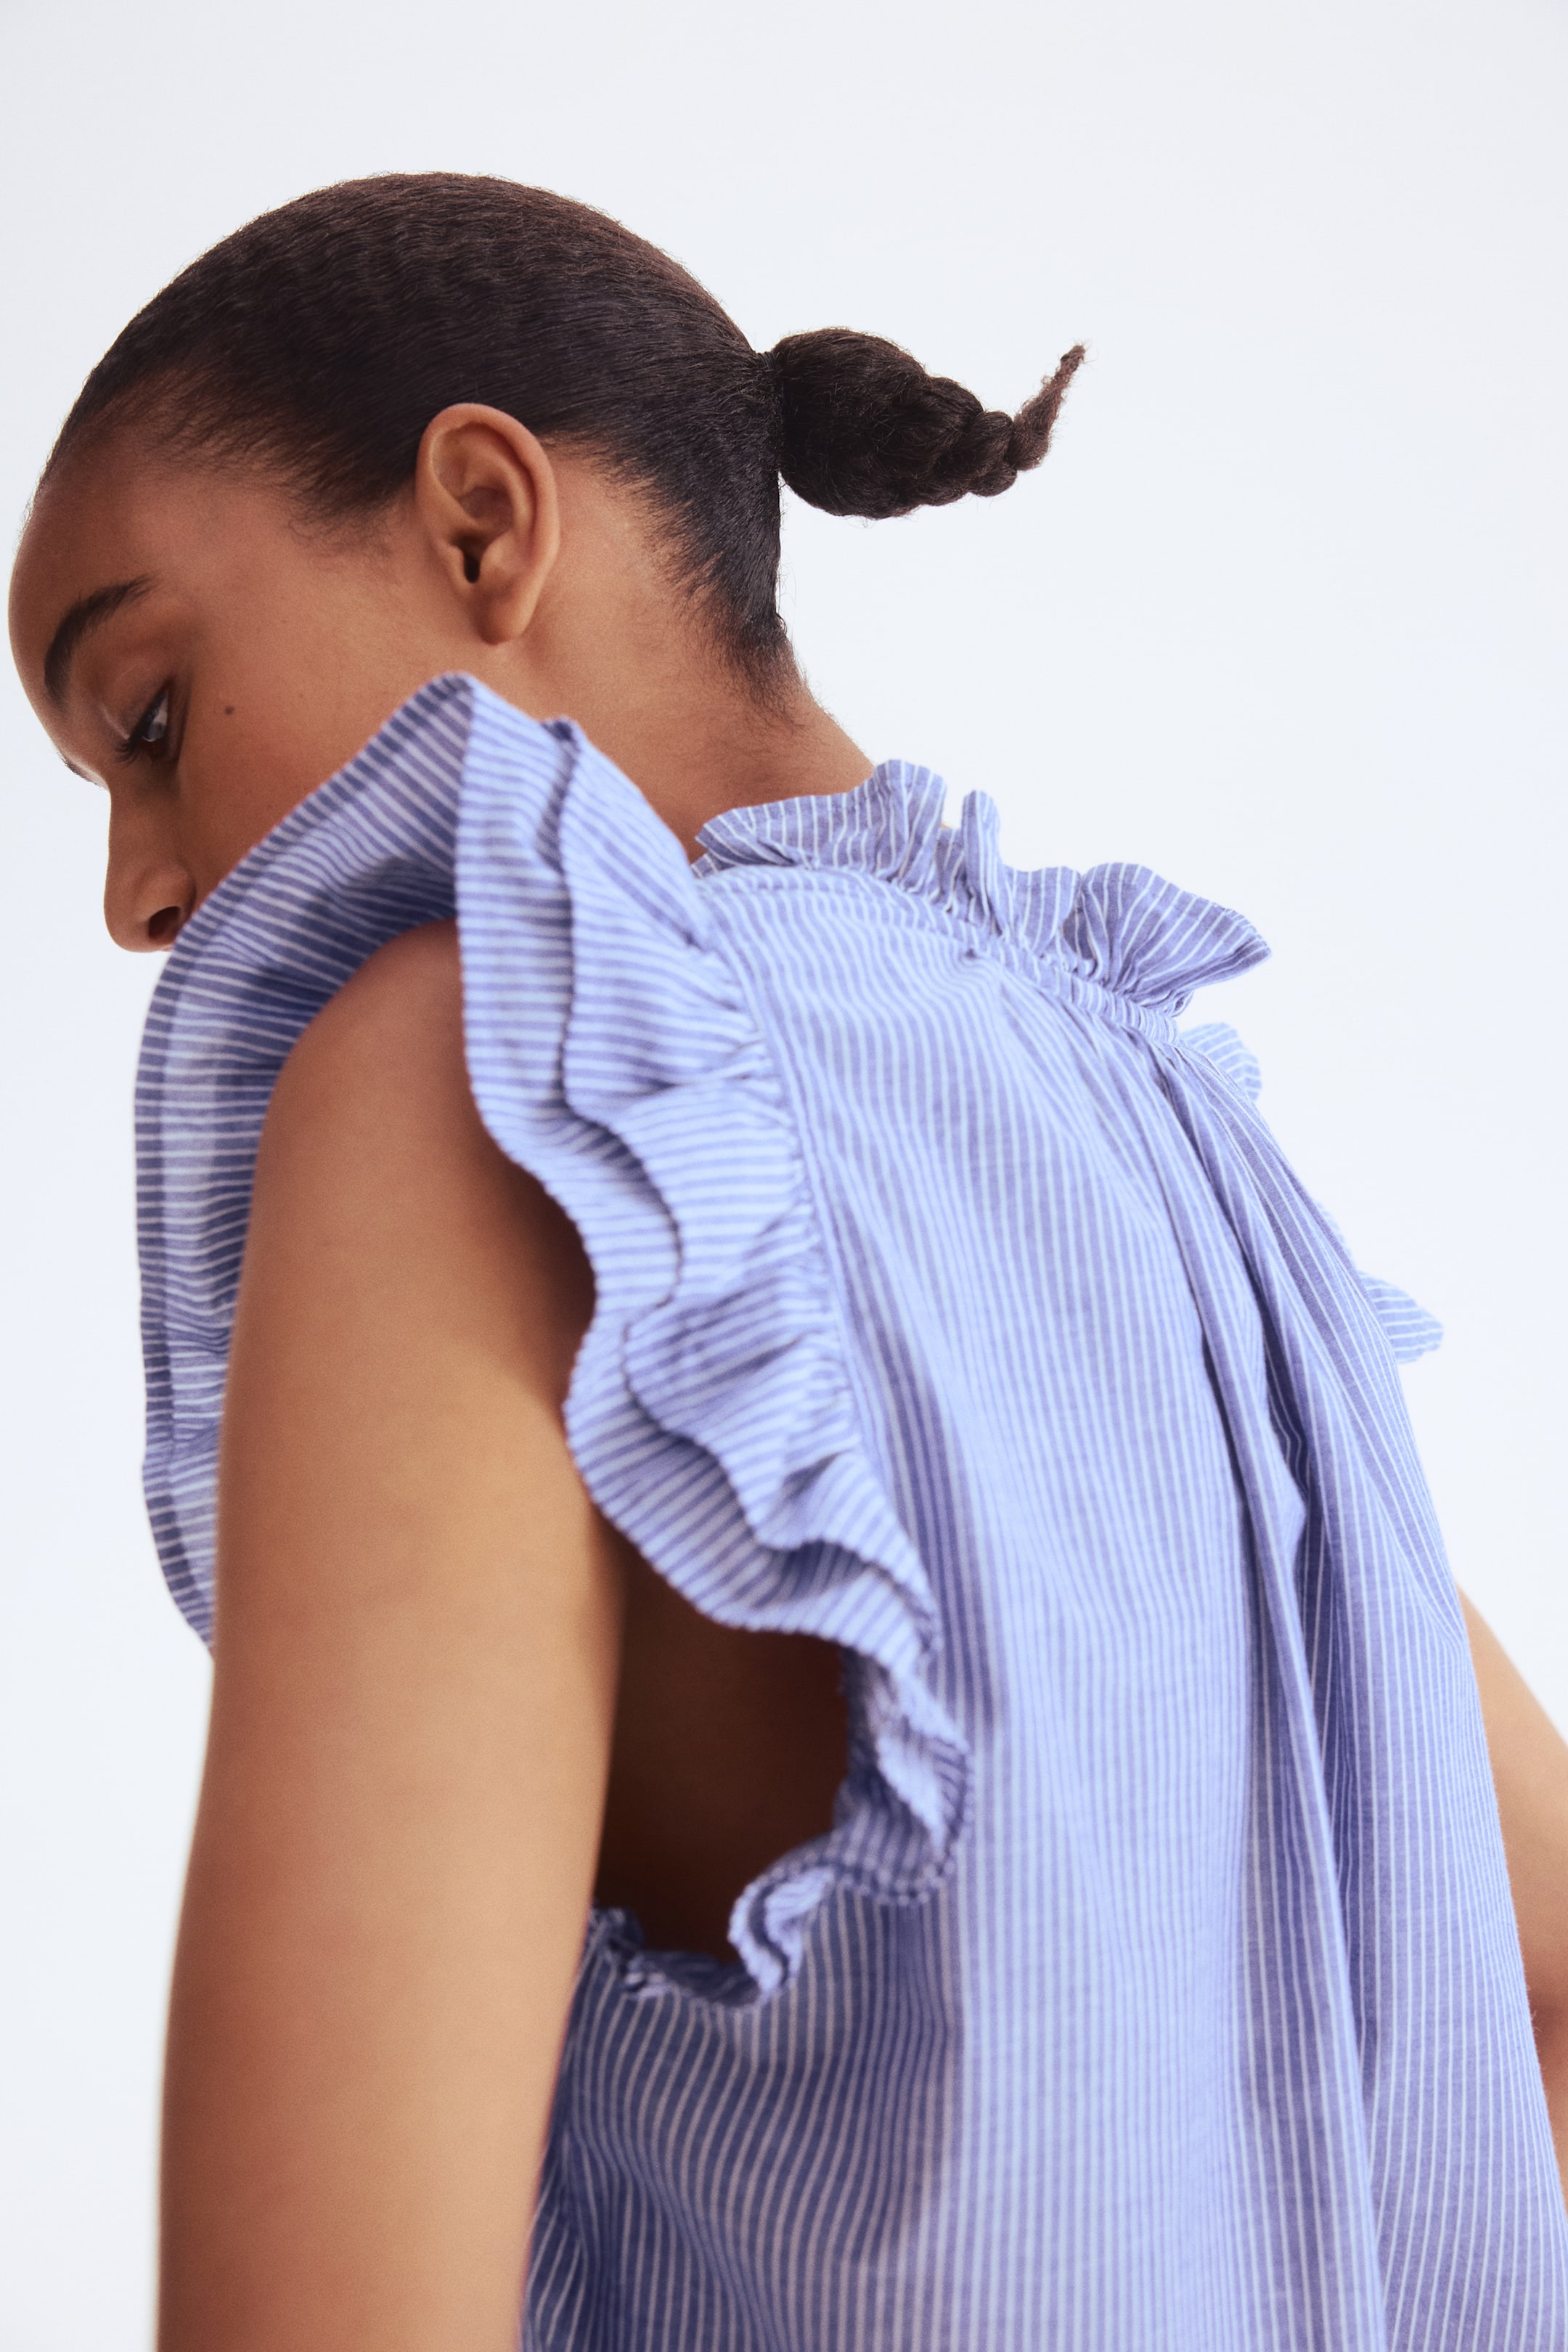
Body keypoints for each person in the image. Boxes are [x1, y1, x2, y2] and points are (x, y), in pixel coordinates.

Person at [9, 172, 1568, 2352]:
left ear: (483, 525)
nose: (133, 896)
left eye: (151, 715)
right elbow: (1545, 1982)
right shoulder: (1169, 1120)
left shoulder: (478, 1069)